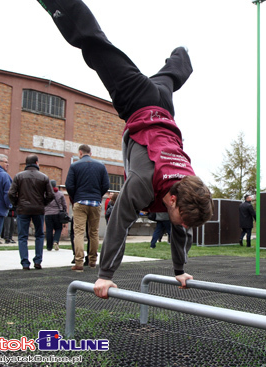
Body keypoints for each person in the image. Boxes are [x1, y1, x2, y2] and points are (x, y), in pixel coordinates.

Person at [36, 0, 213, 298]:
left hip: (163, 106)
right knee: (96, 47)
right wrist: (105, 276)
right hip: (137, 100)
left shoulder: (189, 187)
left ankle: (181, 56)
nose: (180, 226)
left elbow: (183, 225)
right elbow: (119, 222)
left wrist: (180, 269)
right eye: (180, 218)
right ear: (171, 199)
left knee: (171, 77)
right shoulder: (144, 183)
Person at [65, 144, 110, 272]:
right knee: (94, 232)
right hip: (95, 203)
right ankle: (92, 261)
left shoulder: (75, 166)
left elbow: (69, 185)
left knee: (79, 232)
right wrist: (97, 196)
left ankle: (79, 262)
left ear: (80, 153)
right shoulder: (100, 166)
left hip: (80, 201)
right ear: (91, 153)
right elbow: (106, 185)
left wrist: (75, 198)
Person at [8, 155, 55, 270]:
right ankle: (38, 260)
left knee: (22, 236)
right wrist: (42, 203)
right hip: (38, 209)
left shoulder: (19, 176)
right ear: (36, 163)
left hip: (23, 209)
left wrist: (16, 204)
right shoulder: (43, 177)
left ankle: (25, 262)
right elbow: (51, 195)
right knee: (39, 235)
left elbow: (11, 193)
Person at [44, 180, 67, 251]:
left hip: (47, 214)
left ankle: (49, 247)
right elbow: (64, 204)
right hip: (57, 214)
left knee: (49, 230)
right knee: (58, 228)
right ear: (55, 185)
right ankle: (56, 241)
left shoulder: (45, 194)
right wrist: (64, 211)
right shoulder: (60, 194)